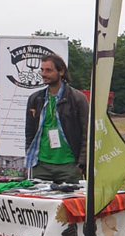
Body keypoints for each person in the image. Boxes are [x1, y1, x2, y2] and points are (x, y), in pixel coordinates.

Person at [25, 55, 88, 183]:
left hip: (69, 166)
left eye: (48, 70)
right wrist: (30, 158)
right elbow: (29, 132)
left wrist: (81, 164)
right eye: (42, 70)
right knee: (40, 202)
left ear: (61, 71)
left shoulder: (77, 98)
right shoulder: (35, 99)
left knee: (68, 203)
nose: (43, 74)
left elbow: (87, 134)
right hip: (41, 166)